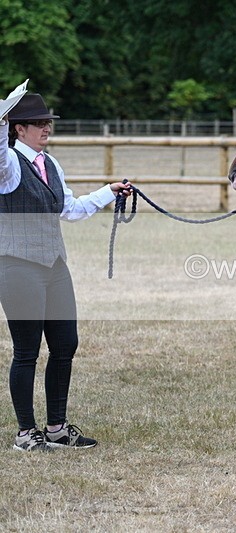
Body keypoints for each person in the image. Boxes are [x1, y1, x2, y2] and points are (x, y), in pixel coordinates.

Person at [1, 92, 132, 451]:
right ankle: (26, 433)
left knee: (65, 345)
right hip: (17, 265)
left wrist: (109, 191)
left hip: (54, 265)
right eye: (39, 123)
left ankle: (56, 427)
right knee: (26, 350)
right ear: (19, 129)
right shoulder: (9, 163)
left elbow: (69, 209)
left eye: (48, 122)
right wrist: (0, 121)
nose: (46, 127)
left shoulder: (51, 164)